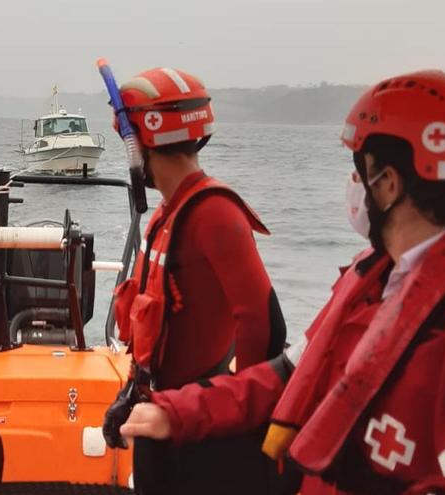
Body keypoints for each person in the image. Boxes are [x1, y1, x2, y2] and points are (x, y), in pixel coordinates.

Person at [119, 70, 445, 494]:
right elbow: (288, 373)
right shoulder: (374, 276)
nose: (353, 187)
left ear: (388, 184)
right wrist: (172, 412)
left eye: (359, 171)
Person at [102, 67, 287, 494]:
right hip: (160, 409)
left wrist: (239, 420)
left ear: (141, 141)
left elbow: (264, 323)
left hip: (196, 424)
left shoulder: (213, 212)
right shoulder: (169, 212)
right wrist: (134, 391)